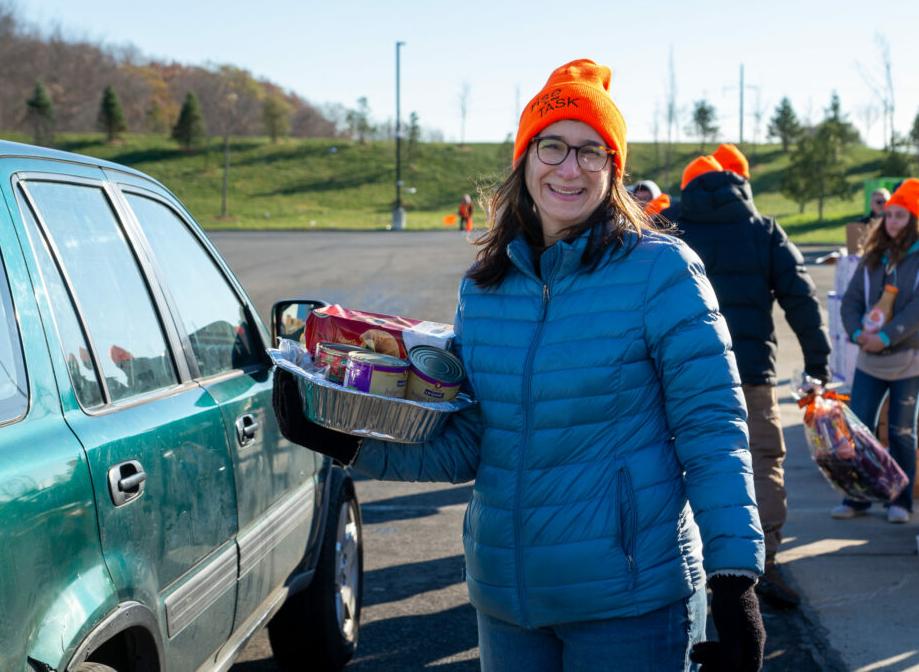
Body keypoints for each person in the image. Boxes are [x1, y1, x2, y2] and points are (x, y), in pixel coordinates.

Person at [273, 59, 766, 672]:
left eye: (592, 152)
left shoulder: (662, 272)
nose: (568, 167)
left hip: (630, 602)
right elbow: (469, 446)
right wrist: (343, 442)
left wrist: (733, 578)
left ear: (613, 170)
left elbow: (713, 432)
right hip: (507, 602)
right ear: (525, 158)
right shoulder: (485, 290)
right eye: (553, 145)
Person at [673, 148, 831, 610]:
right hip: (751, 373)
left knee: (675, 464)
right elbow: (802, 299)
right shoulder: (763, 231)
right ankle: (761, 564)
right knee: (760, 463)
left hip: (682, 374)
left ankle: (683, 565)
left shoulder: (670, 229)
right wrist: (817, 364)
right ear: (738, 183)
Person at [833, 178, 919, 523]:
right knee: (859, 429)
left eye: (901, 215)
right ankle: (858, 498)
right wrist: (855, 332)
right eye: (890, 215)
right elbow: (851, 300)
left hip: (909, 359)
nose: (893, 222)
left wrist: (886, 336)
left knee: (901, 432)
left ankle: (901, 501)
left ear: (915, 219)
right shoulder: (874, 256)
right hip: (871, 358)